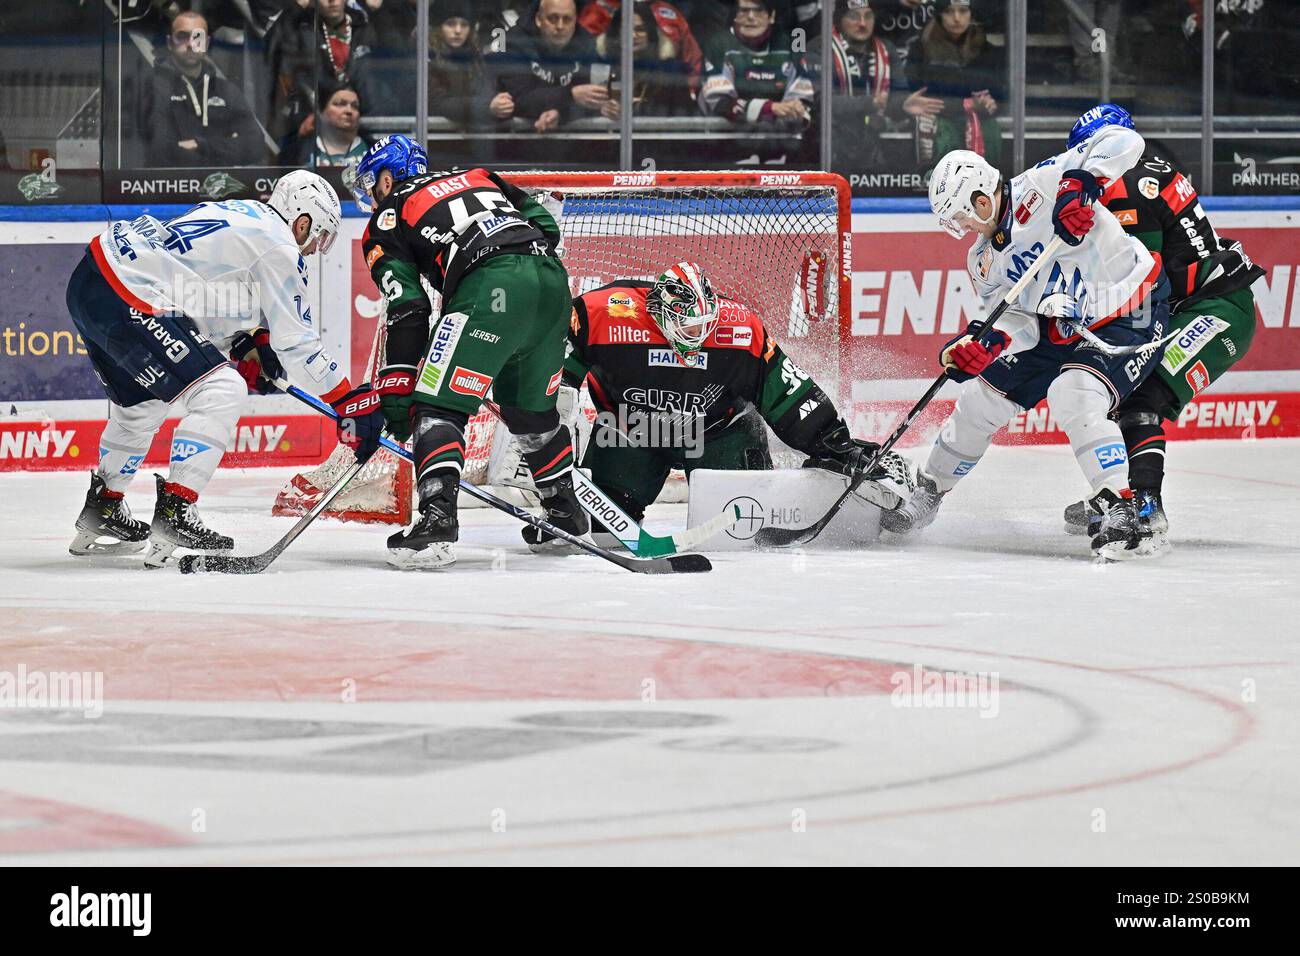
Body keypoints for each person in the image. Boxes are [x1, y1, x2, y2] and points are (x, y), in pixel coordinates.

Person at [65, 170, 382, 566]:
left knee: (141, 407)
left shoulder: (242, 211)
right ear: (302, 221)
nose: (316, 248)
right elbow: (298, 344)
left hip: (91, 281)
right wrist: (350, 398)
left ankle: (104, 508)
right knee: (221, 389)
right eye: (318, 235)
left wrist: (247, 341)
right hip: (130, 293)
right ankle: (176, 511)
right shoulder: (280, 247)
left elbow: (195, 286)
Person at [886, 134, 1173, 560]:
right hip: (1056, 325)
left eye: (962, 217)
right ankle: (930, 490)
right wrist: (985, 344)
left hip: (1129, 305)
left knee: (1074, 391)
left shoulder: (1044, 183)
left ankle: (1119, 505)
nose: (963, 229)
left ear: (982, 199)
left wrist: (1080, 182)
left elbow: (1124, 137)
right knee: (981, 398)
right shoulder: (982, 259)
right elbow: (1015, 318)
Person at [348, 135, 587, 568]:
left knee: (437, 407)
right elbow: (547, 227)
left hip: (491, 288)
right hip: (553, 286)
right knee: (530, 414)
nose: (370, 194)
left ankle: (438, 520)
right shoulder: (478, 175)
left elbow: (408, 306)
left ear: (387, 177)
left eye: (371, 182)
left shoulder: (388, 214)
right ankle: (565, 512)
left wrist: (399, 392)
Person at [562, 262, 907, 531]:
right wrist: (544, 425)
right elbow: (553, 365)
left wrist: (833, 443)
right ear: (661, 313)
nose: (697, 335)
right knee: (600, 527)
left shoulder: (740, 329)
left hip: (719, 432)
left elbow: (788, 392)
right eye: (688, 326)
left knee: (742, 529)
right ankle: (563, 509)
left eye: (704, 324)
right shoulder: (603, 313)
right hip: (632, 432)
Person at [1059, 104, 1265, 548]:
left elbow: (1141, 276)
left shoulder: (1130, 184)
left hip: (1217, 308)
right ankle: (1126, 495)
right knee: (1124, 392)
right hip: (1194, 303)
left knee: (1142, 398)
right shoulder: (1143, 170)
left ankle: (1145, 509)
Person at [802, 0, 942, 169]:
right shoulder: (819, 49)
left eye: (868, 16)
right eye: (854, 16)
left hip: (874, 139)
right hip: (830, 142)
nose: (862, 23)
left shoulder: (886, 48)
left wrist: (903, 104)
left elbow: (897, 94)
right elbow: (822, 102)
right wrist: (870, 103)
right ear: (839, 19)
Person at [140, 10, 267, 166]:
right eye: (182, 36)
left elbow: (256, 145)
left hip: (220, 187)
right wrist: (226, 149)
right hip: (171, 186)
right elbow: (161, 151)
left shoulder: (226, 91)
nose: (190, 44)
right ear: (169, 43)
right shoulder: (154, 86)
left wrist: (201, 145)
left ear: (206, 43)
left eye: (197, 37)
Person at [699, 0, 814, 149]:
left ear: (771, 16)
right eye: (744, 11)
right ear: (735, 15)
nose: (751, 17)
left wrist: (796, 110)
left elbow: (802, 98)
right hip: (727, 147)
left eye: (758, 11)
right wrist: (769, 108)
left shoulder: (789, 45)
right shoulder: (718, 45)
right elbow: (720, 103)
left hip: (781, 146)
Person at [906, 0, 1002, 171]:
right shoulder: (919, 48)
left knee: (991, 130)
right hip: (937, 118)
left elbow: (999, 95)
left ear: (971, 14)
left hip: (977, 118)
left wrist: (990, 104)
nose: (957, 18)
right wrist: (967, 103)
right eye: (949, 11)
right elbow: (921, 96)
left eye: (963, 11)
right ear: (940, 14)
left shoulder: (988, 50)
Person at [483, 0, 608, 132]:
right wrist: (570, 95)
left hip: (571, 139)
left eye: (567, 19)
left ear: (575, 19)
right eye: (553, 19)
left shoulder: (585, 43)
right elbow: (518, 99)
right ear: (538, 19)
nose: (560, 26)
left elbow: (590, 100)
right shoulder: (515, 41)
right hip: (518, 138)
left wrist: (561, 113)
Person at [594, 5, 693, 118]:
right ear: (616, 35)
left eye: (640, 30)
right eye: (626, 29)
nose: (633, 36)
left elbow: (684, 118)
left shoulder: (670, 76)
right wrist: (600, 110)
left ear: (650, 35)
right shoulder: (600, 73)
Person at [285, 81, 370, 167]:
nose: (349, 111)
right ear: (321, 112)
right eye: (340, 104)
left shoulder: (374, 149)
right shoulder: (299, 150)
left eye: (355, 106)